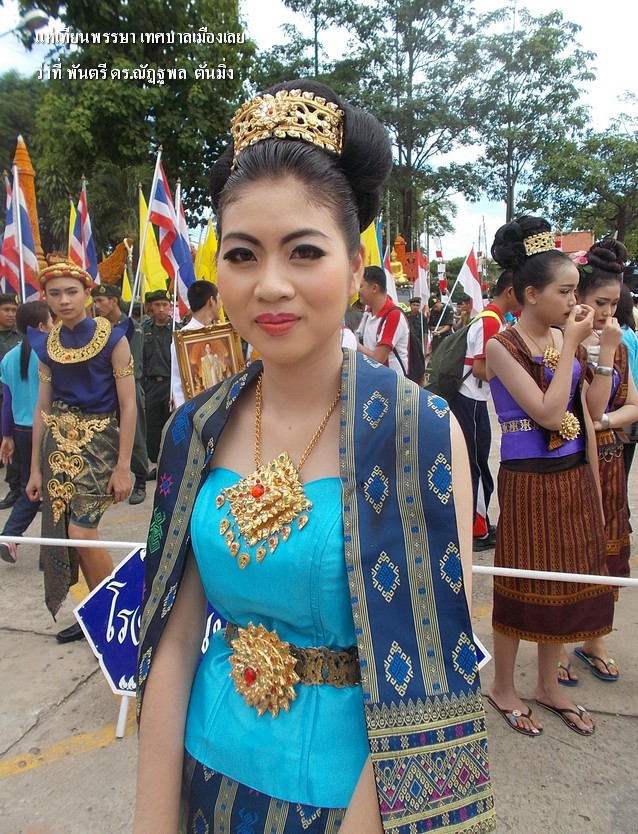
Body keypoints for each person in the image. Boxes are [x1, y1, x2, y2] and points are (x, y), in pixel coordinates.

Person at [133, 79, 494, 834]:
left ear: (355, 263)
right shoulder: (194, 428)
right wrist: (152, 818)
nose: (271, 285)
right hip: (203, 780)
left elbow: (431, 684)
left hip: (348, 804)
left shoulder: (416, 432)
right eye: (242, 255)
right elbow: (173, 638)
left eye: (304, 252)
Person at [484, 216, 615, 737]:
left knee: (561, 581)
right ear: (531, 294)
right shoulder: (502, 346)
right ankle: (503, 686)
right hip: (528, 478)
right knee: (520, 580)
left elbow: (593, 412)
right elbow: (546, 411)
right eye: (565, 291)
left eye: (576, 291)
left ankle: (546, 684)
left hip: (572, 474)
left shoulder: (568, 337)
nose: (573, 301)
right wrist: (571, 346)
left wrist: (602, 353)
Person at [26, 260, 136, 643]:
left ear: (87, 294)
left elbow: (129, 406)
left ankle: (121, 616)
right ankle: (97, 615)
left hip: (100, 442)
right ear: (45, 297)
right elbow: (42, 408)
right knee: (73, 538)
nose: (64, 300)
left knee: (81, 531)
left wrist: (124, 466)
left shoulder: (114, 339)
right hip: (56, 447)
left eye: (72, 292)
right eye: (55, 293)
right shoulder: (46, 346)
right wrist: (34, 469)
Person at [556, 240, 638, 685]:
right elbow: (585, 407)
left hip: (610, 462)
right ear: (578, 298)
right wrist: (603, 356)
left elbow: (631, 407)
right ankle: (557, 643)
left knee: (608, 551)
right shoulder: (563, 344)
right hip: (572, 462)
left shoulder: (620, 344)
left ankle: (595, 639)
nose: (607, 312)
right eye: (599, 302)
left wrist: (602, 423)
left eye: (613, 303)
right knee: (569, 552)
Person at [448, 271, 518, 551]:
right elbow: (480, 368)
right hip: (472, 400)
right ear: (511, 292)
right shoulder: (490, 321)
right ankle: (478, 531)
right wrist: (514, 379)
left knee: (475, 463)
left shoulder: (489, 317)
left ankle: (479, 524)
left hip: (470, 400)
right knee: (475, 466)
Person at [0, 301, 53, 564]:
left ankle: (10, 536)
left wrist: (6, 436)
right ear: (42, 326)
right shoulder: (49, 355)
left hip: (20, 430)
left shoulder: (9, 357)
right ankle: (13, 536)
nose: (54, 325)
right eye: (51, 320)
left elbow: (7, 402)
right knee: (46, 488)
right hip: (46, 428)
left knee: (29, 484)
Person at [93, 283, 149, 505]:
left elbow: (131, 363)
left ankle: (141, 480)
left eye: (100, 301)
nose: (96, 306)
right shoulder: (99, 328)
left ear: (113, 301)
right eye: (95, 301)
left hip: (129, 386)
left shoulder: (131, 328)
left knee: (135, 436)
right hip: (106, 389)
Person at [171, 280, 220, 408]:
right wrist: (184, 412)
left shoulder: (220, 334)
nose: (220, 305)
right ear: (212, 301)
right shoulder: (184, 337)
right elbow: (177, 381)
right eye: (219, 299)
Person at [142, 288, 174, 476]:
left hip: (170, 384)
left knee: (170, 425)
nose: (161, 309)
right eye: (157, 305)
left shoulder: (177, 329)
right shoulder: (144, 329)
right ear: (151, 307)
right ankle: (158, 463)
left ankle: (170, 466)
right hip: (151, 385)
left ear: (170, 306)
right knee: (153, 428)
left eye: (164, 304)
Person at [356, 265, 409, 374]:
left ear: (374, 288)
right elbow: (358, 335)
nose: (357, 290)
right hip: (373, 378)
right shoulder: (368, 313)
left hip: (390, 381)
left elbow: (378, 359)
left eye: (361, 286)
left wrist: (352, 341)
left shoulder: (394, 315)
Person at [0, 292, 23, 510]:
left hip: (17, 398)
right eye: (6, 310)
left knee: (16, 445)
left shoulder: (22, 336)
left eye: (14, 310)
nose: (10, 314)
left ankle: (17, 489)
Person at [615, 284, 638, 485]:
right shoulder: (627, 332)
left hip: (624, 409)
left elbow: (623, 375)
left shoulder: (621, 336)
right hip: (627, 409)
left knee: (618, 475)